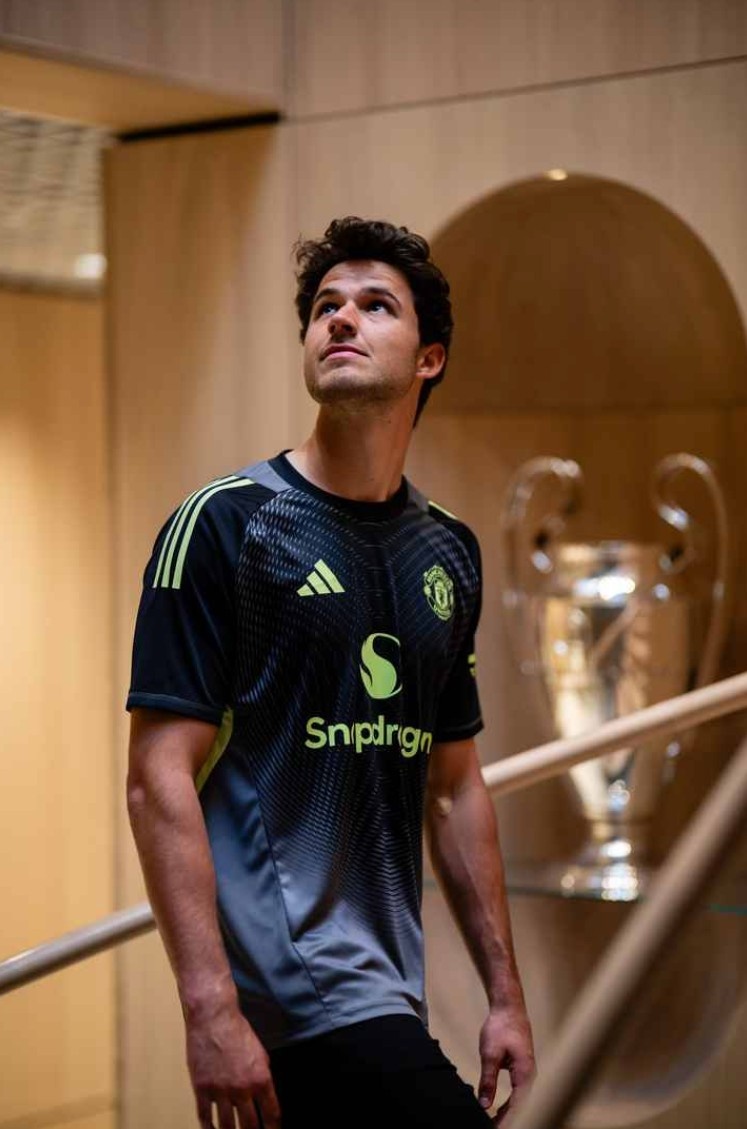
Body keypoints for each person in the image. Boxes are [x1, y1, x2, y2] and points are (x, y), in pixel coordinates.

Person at [126, 217, 535, 1129]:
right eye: (324, 306)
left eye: (374, 305)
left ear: (428, 358)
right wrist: (209, 1009)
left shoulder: (449, 548)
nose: (340, 318)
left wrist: (504, 996)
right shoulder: (225, 524)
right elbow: (157, 778)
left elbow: (453, 786)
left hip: (390, 991)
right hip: (291, 996)